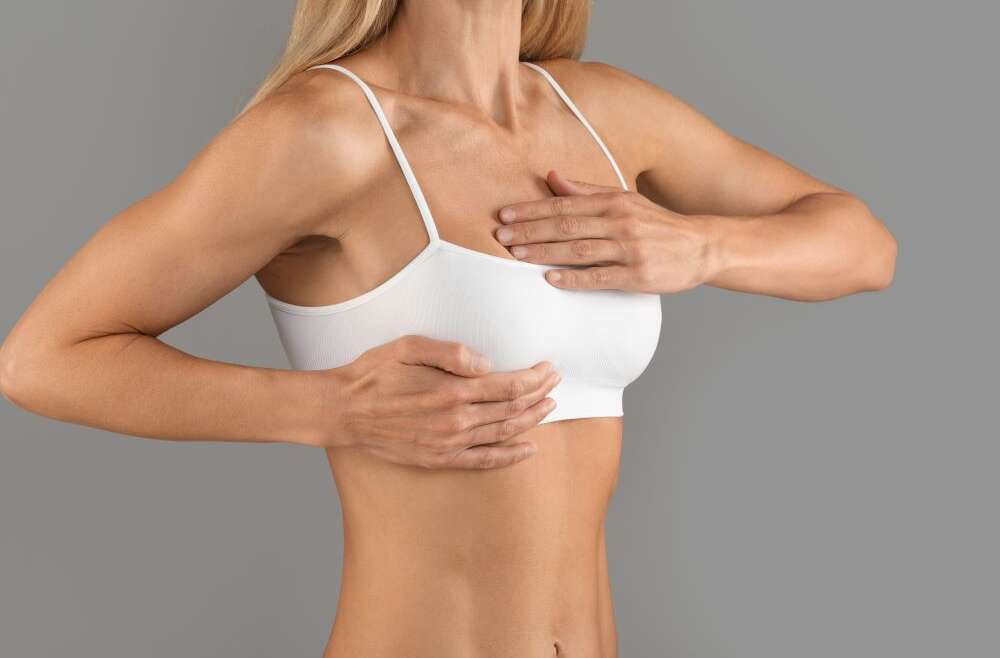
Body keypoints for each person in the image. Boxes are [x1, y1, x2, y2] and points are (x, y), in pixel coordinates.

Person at [0, 1, 896, 656]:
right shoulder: (329, 132)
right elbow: (42, 357)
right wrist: (330, 409)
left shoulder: (602, 113)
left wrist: (700, 246)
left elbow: (863, 246)